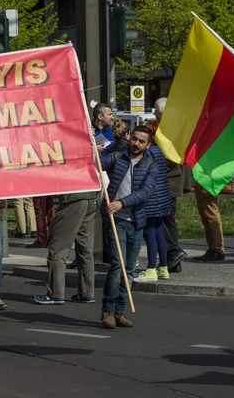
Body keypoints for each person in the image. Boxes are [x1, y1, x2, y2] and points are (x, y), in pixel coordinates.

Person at [99, 126, 158, 329]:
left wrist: (122, 202)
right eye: (134, 139)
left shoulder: (151, 165)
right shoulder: (117, 157)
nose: (136, 144)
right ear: (129, 138)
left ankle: (119, 311)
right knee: (118, 265)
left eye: (141, 141)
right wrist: (94, 153)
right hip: (116, 220)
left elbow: (145, 192)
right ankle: (107, 310)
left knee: (129, 269)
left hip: (137, 222)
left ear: (148, 145)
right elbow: (97, 165)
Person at [33, 189, 98, 305]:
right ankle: (87, 293)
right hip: (90, 198)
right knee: (85, 249)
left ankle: (55, 294)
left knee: (58, 248)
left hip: (73, 198)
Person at [154, 97, 190, 272]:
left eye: (156, 111)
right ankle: (173, 260)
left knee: (162, 219)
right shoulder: (166, 128)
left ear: (162, 113)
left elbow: (171, 158)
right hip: (169, 181)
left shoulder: (170, 130)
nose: (154, 113)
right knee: (168, 221)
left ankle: (173, 253)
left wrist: (152, 167)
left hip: (168, 182)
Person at [134, 120, 172, 282]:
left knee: (149, 233)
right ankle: (163, 267)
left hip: (150, 198)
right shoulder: (159, 151)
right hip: (162, 198)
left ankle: (150, 269)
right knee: (158, 232)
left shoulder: (147, 154)